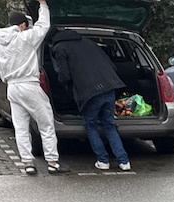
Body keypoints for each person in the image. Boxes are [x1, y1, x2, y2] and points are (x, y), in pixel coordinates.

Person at [0, 0, 61, 175]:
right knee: (46, 124)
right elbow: (43, 26)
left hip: (12, 87)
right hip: (29, 84)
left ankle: (28, 163)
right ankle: (52, 163)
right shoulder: (25, 37)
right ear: (22, 25)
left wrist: (5, 76)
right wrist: (43, 5)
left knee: (20, 127)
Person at [46, 24, 129, 171]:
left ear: (50, 41)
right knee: (109, 125)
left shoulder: (59, 48)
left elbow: (65, 76)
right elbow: (112, 65)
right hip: (110, 86)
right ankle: (124, 162)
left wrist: (67, 88)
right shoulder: (87, 42)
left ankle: (103, 161)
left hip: (90, 92)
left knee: (90, 125)